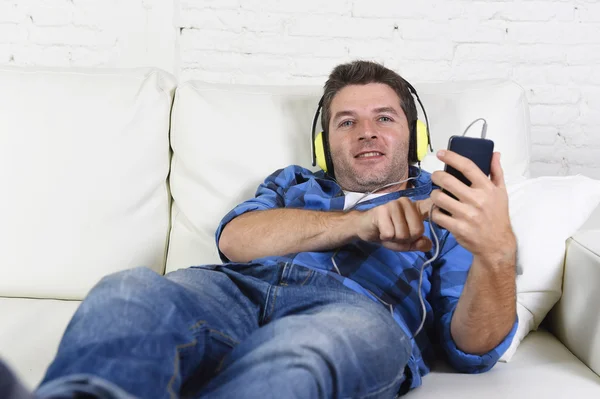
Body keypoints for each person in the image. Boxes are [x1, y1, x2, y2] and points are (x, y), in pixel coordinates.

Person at [3, 60, 518, 399]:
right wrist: (359, 223)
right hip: (232, 292)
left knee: (304, 349)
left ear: (413, 134)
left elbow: (472, 350)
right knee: (128, 290)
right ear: (326, 141)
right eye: (346, 121)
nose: (366, 131)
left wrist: (496, 253)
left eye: (384, 117)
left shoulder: (446, 204)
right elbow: (237, 240)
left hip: (359, 311)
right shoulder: (293, 182)